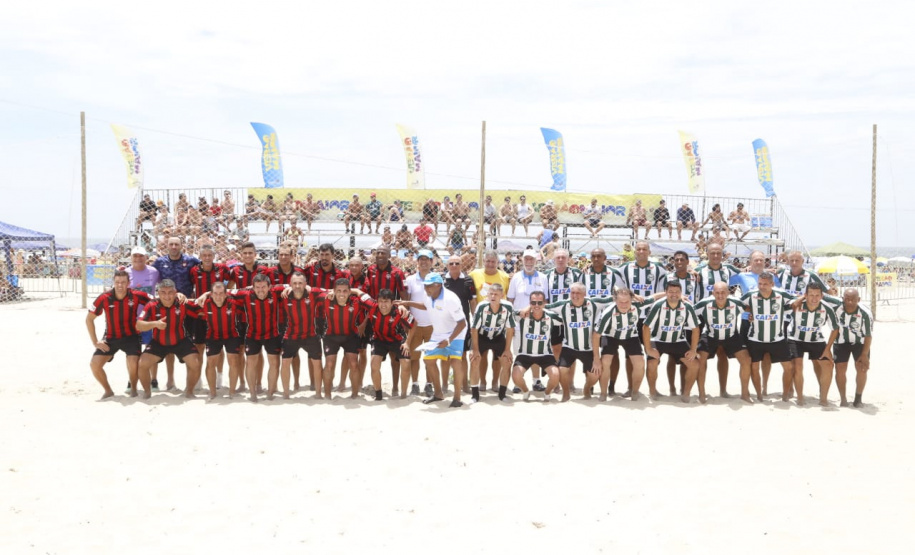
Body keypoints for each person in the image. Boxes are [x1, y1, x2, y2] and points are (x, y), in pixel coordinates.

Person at [400, 273, 468, 407]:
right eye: (425, 285)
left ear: (438, 285)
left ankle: (457, 398)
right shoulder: (428, 294)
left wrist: (449, 340)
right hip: (438, 333)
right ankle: (438, 394)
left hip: (456, 333)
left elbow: (462, 324)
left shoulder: (451, 299)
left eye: (429, 286)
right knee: (428, 360)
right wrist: (407, 303)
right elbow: (426, 306)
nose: (426, 289)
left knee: (455, 362)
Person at [86, 270, 152, 399]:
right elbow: (89, 319)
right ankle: (108, 390)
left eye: (123, 282)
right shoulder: (104, 298)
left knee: (133, 362)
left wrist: (178, 295)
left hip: (131, 337)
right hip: (111, 337)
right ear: (113, 283)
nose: (120, 285)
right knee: (94, 364)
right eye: (117, 282)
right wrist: (95, 342)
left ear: (129, 283)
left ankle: (133, 388)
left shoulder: (137, 295)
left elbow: (158, 299)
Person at [544, 283, 613, 402]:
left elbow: (614, 298)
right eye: (572, 293)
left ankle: (586, 388)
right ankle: (566, 393)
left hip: (588, 348)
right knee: (562, 369)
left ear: (585, 294)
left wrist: (634, 296)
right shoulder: (563, 305)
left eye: (578, 293)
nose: (575, 295)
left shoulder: (594, 303)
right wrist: (529, 307)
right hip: (569, 347)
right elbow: (543, 306)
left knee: (595, 374)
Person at [135, 279, 203, 399]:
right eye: (163, 292)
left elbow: (201, 310)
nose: (167, 296)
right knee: (142, 364)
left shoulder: (182, 303)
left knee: (196, 363)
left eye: (170, 292)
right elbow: (139, 325)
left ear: (175, 292)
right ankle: (147, 392)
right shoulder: (151, 305)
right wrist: (155, 324)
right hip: (158, 343)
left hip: (180, 341)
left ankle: (189, 391)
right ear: (158, 293)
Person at [150, 237, 200, 392]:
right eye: (171, 244)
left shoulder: (191, 261)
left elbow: (205, 269)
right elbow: (150, 277)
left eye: (176, 244)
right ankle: (170, 380)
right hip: (167, 308)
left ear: (181, 246)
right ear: (167, 245)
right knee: (168, 344)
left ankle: (189, 382)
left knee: (188, 346)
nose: (173, 246)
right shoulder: (159, 262)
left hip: (186, 308)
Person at [740, 272, 796, 404]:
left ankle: (785, 395)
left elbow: (795, 300)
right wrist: (748, 311)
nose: (762, 286)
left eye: (765, 284)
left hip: (777, 339)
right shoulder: (751, 295)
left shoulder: (781, 295)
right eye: (760, 283)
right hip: (755, 339)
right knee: (754, 367)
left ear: (772, 284)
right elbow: (738, 304)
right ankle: (759, 395)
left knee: (788, 367)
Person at [694, 282, 753, 403]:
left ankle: (745, 394)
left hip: (731, 335)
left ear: (728, 292)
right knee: (700, 359)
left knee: (746, 360)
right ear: (713, 293)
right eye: (717, 293)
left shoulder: (736, 303)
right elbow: (689, 311)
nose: (720, 295)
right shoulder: (704, 303)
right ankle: (701, 393)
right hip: (711, 335)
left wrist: (752, 315)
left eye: (723, 292)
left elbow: (749, 308)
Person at [642, 281, 700, 402]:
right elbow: (646, 327)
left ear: (681, 293)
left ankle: (686, 393)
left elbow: (695, 328)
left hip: (678, 340)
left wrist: (693, 349)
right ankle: (653, 392)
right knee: (652, 363)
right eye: (671, 292)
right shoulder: (658, 305)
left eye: (677, 292)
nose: (674, 294)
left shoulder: (687, 307)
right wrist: (648, 349)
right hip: (658, 339)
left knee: (694, 364)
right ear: (666, 293)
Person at [787, 282, 839, 406]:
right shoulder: (797, 304)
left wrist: (827, 349)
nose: (814, 298)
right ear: (805, 295)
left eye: (817, 295)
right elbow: (786, 307)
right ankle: (800, 397)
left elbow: (835, 329)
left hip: (816, 339)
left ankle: (823, 398)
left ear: (822, 296)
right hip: (796, 338)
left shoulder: (827, 308)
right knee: (798, 365)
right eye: (811, 295)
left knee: (828, 365)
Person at [592, 288, 648, 401]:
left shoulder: (638, 305)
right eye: (620, 302)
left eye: (626, 301)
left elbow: (655, 297)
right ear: (615, 301)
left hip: (630, 335)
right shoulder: (608, 313)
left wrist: (679, 297)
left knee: (640, 363)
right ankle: (603, 393)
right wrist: (596, 359)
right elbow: (596, 335)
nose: (623, 305)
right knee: (605, 361)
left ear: (632, 300)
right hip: (611, 335)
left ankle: (635, 391)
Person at [317, 278, 369, 399]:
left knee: (354, 364)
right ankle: (328, 394)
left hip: (350, 336)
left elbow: (373, 304)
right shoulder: (326, 299)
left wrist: (356, 291)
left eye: (345, 291)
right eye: (338, 291)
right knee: (329, 364)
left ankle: (355, 394)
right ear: (334, 291)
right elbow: (310, 290)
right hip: (331, 336)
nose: (341, 294)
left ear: (349, 292)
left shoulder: (356, 302)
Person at [359, 288, 415, 400]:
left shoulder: (400, 311)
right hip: (378, 339)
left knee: (406, 362)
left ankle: (403, 394)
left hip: (397, 339)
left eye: (386, 302)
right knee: (374, 364)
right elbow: (358, 292)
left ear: (392, 302)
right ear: (377, 301)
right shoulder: (371, 305)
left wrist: (407, 343)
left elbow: (413, 325)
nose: (383, 304)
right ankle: (378, 394)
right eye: (380, 301)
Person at [193, 282, 244, 399]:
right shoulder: (204, 304)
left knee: (234, 361)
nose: (218, 296)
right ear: (211, 294)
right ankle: (212, 392)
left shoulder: (234, 303)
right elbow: (187, 305)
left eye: (221, 293)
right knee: (211, 362)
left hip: (231, 334)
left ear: (226, 294)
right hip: (213, 336)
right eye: (215, 293)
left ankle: (232, 392)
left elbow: (247, 294)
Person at [278, 272, 325, 399]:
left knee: (317, 363)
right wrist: (286, 288)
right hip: (291, 335)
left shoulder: (313, 293)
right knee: (285, 362)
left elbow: (330, 291)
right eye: (294, 283)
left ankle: (318, 393)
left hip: (310, 335)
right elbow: (267, 287)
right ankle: (286, 393)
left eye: (300, 283)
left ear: (305, 284)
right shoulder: (284, 295)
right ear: (290, 284)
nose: (297, 286)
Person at [511, 291, 561, 402]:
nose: (536, 305)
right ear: (530, 303)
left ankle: (547, 393)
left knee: (555, 375)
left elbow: (565, 321)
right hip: (525, 353)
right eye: (533, 303)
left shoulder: (551, 316)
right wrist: (525, 309)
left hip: (545, 354)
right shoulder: (523, 315)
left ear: (544, 303)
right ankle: (525, 391)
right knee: (515, 376)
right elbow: (509, 312)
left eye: (539, 303)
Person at [469, 283, 515, 402]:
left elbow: (510, 329)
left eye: (496, 294)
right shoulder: (482, 306)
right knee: (474, 360)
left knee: (507, 361)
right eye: (491, 294)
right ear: (487, 295)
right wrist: (475, 349)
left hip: (498, 336)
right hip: (482, 336)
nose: (493, 296)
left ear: (502, 296)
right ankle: (475, 394)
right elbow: (474, 328)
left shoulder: (508, 307)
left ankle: (502, 394)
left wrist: (507, 349)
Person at [403, 250, 436, 396]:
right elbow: (407, 302)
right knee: (414, 357)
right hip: (415, 325)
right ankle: (415, 384)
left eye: (427, 259)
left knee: (429, 357)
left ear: (431, 261)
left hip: (432, 324)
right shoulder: (410, 279)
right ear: (417, 262)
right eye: (421, 259)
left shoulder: (436, 278)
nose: (424, 262)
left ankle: (429, 384)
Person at [832, 288, 873, 408]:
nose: (849, 302)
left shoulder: (865, 313)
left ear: (858, 300)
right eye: (847, 299)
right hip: (841, 342)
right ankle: (843, 399)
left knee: (861, 368)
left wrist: (864, 354)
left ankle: (858, 399)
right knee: (840, 368)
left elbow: (868, 336)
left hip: (859, 342)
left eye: (853, 300)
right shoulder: (837, 308)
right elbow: (822, 296)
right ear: (843, 298)